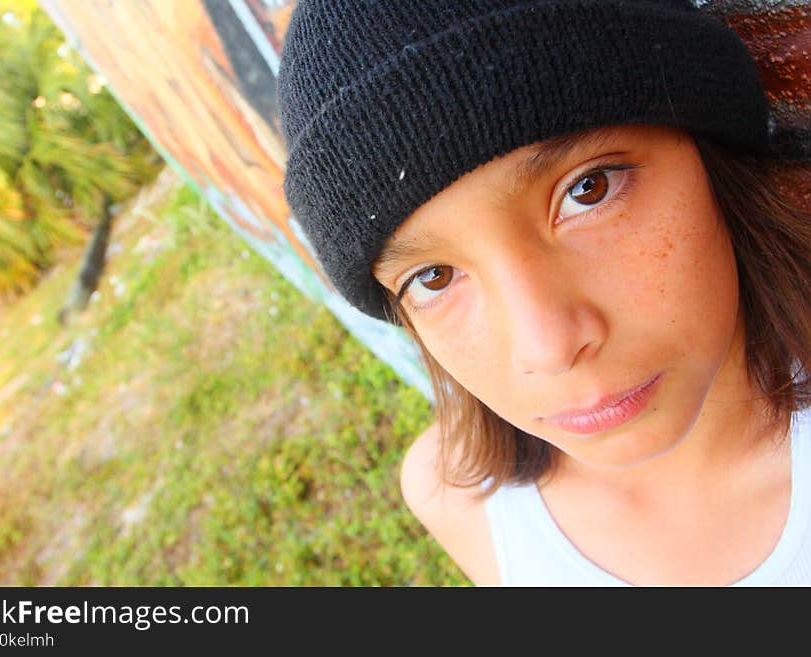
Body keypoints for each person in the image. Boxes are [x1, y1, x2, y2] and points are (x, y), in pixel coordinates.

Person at [276, 0, 811, 585]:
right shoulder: (456, 499)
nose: (549, 347)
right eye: (433, 278)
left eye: (589, 189)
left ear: (709, 153)